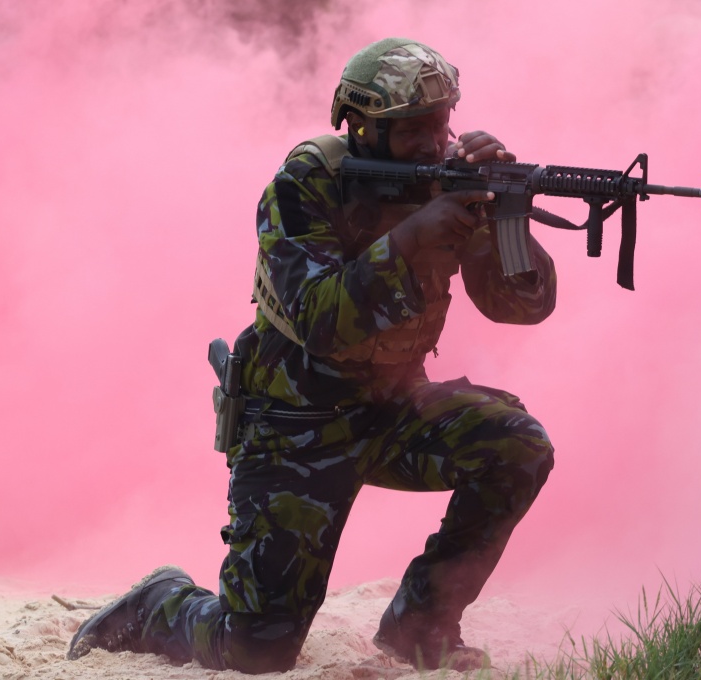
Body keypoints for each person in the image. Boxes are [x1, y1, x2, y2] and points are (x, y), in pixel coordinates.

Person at [67, 38, 557, 673]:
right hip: (294, 425)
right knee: (254, 650)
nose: (434, 143)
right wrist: (417, 234)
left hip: (393, 408)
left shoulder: (440, 181)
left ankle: (421, 624)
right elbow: (324, 321)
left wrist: (501, 218)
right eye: (411, 130)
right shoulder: (307, 185)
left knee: (516, 445)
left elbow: (520, 307)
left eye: (441, 123)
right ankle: (158, 603)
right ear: (360, 127)